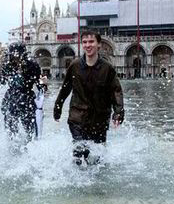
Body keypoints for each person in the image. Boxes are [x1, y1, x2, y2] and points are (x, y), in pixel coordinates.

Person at [53, 30, 124, 166]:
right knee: (79, 152)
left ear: (99, 45)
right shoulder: (74, 66)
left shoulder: (107, 68)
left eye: (91, 41)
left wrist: (118, 112)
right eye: (84, 42)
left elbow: (116, 91)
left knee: (97, 158)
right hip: (77, 117)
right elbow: (65, 89)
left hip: (100, 119)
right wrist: (58, 108)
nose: (88, 45)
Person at [0, 42, 45, 148]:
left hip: (27, 98)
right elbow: (1, 82)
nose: (14, 57)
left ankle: (29, 146)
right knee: (10, 128)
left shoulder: (32, 65)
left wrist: (43, 85)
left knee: (29, 129)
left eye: (16, 53)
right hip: (11, 99)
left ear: (22, 53)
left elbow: (40, 84)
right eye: (12, 54)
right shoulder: (7, 66)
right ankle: (13, 147)